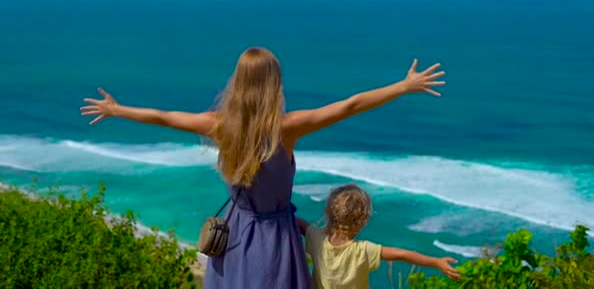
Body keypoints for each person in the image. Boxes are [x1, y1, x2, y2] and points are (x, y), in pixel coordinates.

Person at [80, 47, 446, 288]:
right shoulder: (287, 129)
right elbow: (349, 106)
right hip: (275, 237)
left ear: (238, 84)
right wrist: (402, 86)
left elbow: (164, 117)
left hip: (235, 236)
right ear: (274, 84)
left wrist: (117, 110)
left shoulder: (219, 125)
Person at [297, 184, 460, 289]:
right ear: (363, 219)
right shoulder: (363, 251)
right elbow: (401, 254)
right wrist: (436, 262)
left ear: (329, 212)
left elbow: (300, 224)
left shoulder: (315, 237)